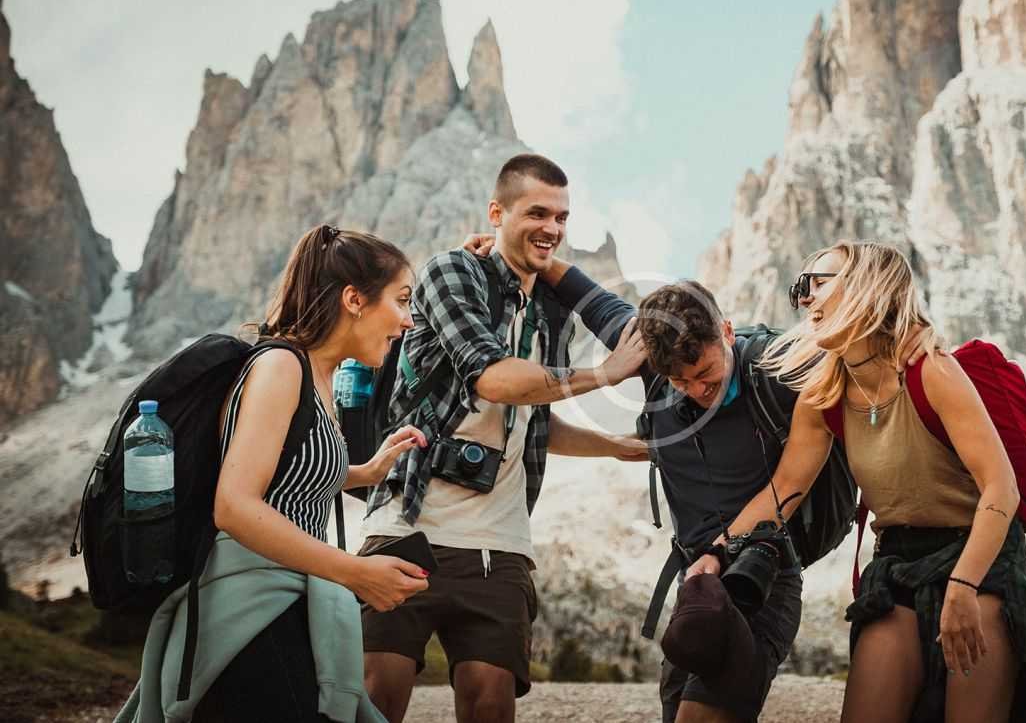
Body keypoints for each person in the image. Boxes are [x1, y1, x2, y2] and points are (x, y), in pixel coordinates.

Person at [459, 230, 923, 723]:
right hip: (698, 584)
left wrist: (720, 551)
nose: (696, 390)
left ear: (726, 332)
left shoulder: (779, 370)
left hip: (761, 578)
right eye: (679, 381)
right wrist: (515, 247)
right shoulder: (651, 359)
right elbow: (587, 296)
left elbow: (861, 355)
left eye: (706, 374)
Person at [721, 241, 1026, 722]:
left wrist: (964, 585)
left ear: (867, 286)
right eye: (800, 288)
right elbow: (784, 490)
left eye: (818, 283)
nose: (804, 298)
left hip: (979, 558)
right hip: (897, 562)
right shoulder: (823, 395)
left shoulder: (931, 371)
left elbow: (1001, 488)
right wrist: (715, 552)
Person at [359, 154, 649, 723]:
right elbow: (493, 379)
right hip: (408, 525)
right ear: (496, 212)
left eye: (562, 217)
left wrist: (614, 446)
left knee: (491, 704)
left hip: (501, 543)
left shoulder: (552, 310)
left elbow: (533, 419)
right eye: (537, 213)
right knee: (375, 699)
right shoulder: (451, 273)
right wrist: (604, 374)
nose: (552, 228)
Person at [194, 224, 433, 720]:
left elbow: (286, 470)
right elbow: (234, 506)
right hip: (249, 609)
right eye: (401, 301)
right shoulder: (282, 366)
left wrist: (365, 471)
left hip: (289, 598)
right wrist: (356, 573)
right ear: (354, 299)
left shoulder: (320, 376)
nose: (408, 321)